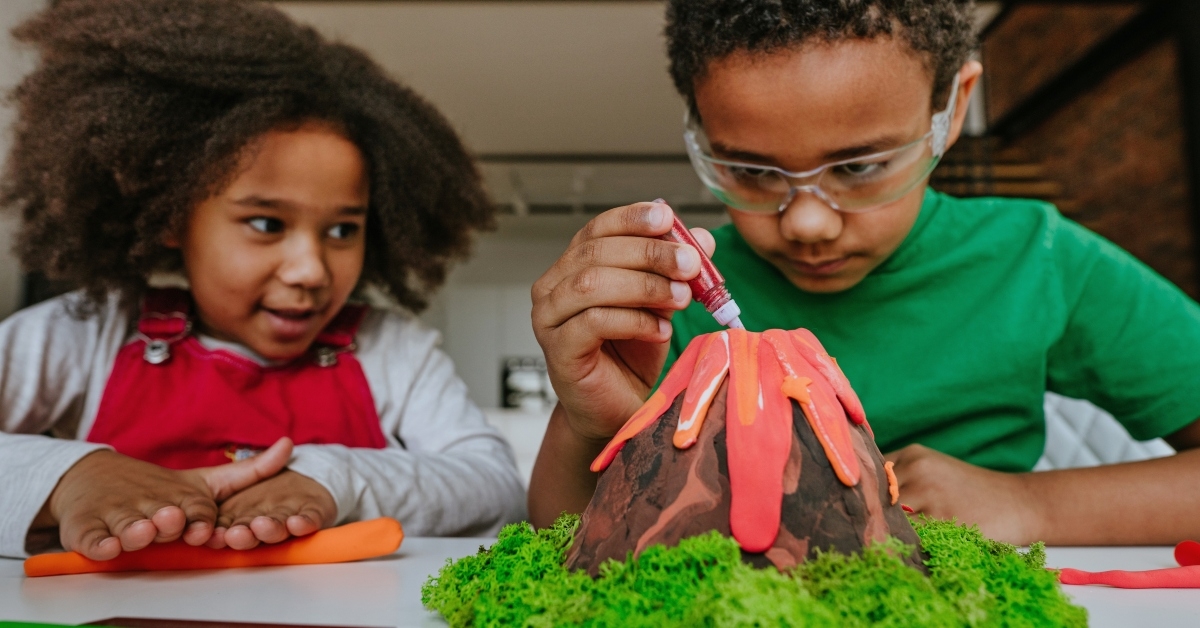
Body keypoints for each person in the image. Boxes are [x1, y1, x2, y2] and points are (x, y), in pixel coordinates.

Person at [529, 0, 1200, 546]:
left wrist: (1033, 507)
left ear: (953, 108)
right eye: (753, 173)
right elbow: (562, 539)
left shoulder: (1040, 259)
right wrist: (585, 419)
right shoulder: (671, 296)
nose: (807, 224)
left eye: (859, 167)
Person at [0, 0, 524, 561]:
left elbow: (495, 488)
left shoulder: (392, 350)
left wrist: (332, 478)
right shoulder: (86, 332)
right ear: (175, 218)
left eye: (344, 230)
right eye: (266, 224)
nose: (311, 271)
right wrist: (68, 476)